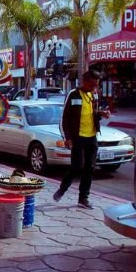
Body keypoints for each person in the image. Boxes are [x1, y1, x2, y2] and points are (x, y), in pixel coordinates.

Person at [53, 70, 110, 209]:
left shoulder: (93, 95)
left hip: (91, 137)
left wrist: (101, 114)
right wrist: (67, 138)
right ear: (84, 82)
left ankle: (83, 198)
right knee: (76, 167)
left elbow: (92, 113)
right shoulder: (73, 94)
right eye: (92, 85)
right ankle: (62, 189)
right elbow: (64, 118)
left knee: (90, 168)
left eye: (96, 85)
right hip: (77, 137)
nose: (94, 88)